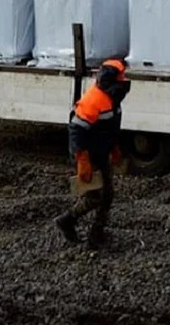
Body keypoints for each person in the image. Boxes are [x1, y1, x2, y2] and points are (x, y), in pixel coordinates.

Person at [54, 57, 131, 249]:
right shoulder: (94, 100)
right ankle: (67, 220)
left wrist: (114, 148)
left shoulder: (113, 98)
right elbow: (76, 130)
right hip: (88, 155)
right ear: (111, 79)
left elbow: (109, 127)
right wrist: (82, 159)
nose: (125, 81)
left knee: (108, 195)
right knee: (95, 197)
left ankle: (96, 235)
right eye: (122, 77)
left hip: (100, 152)